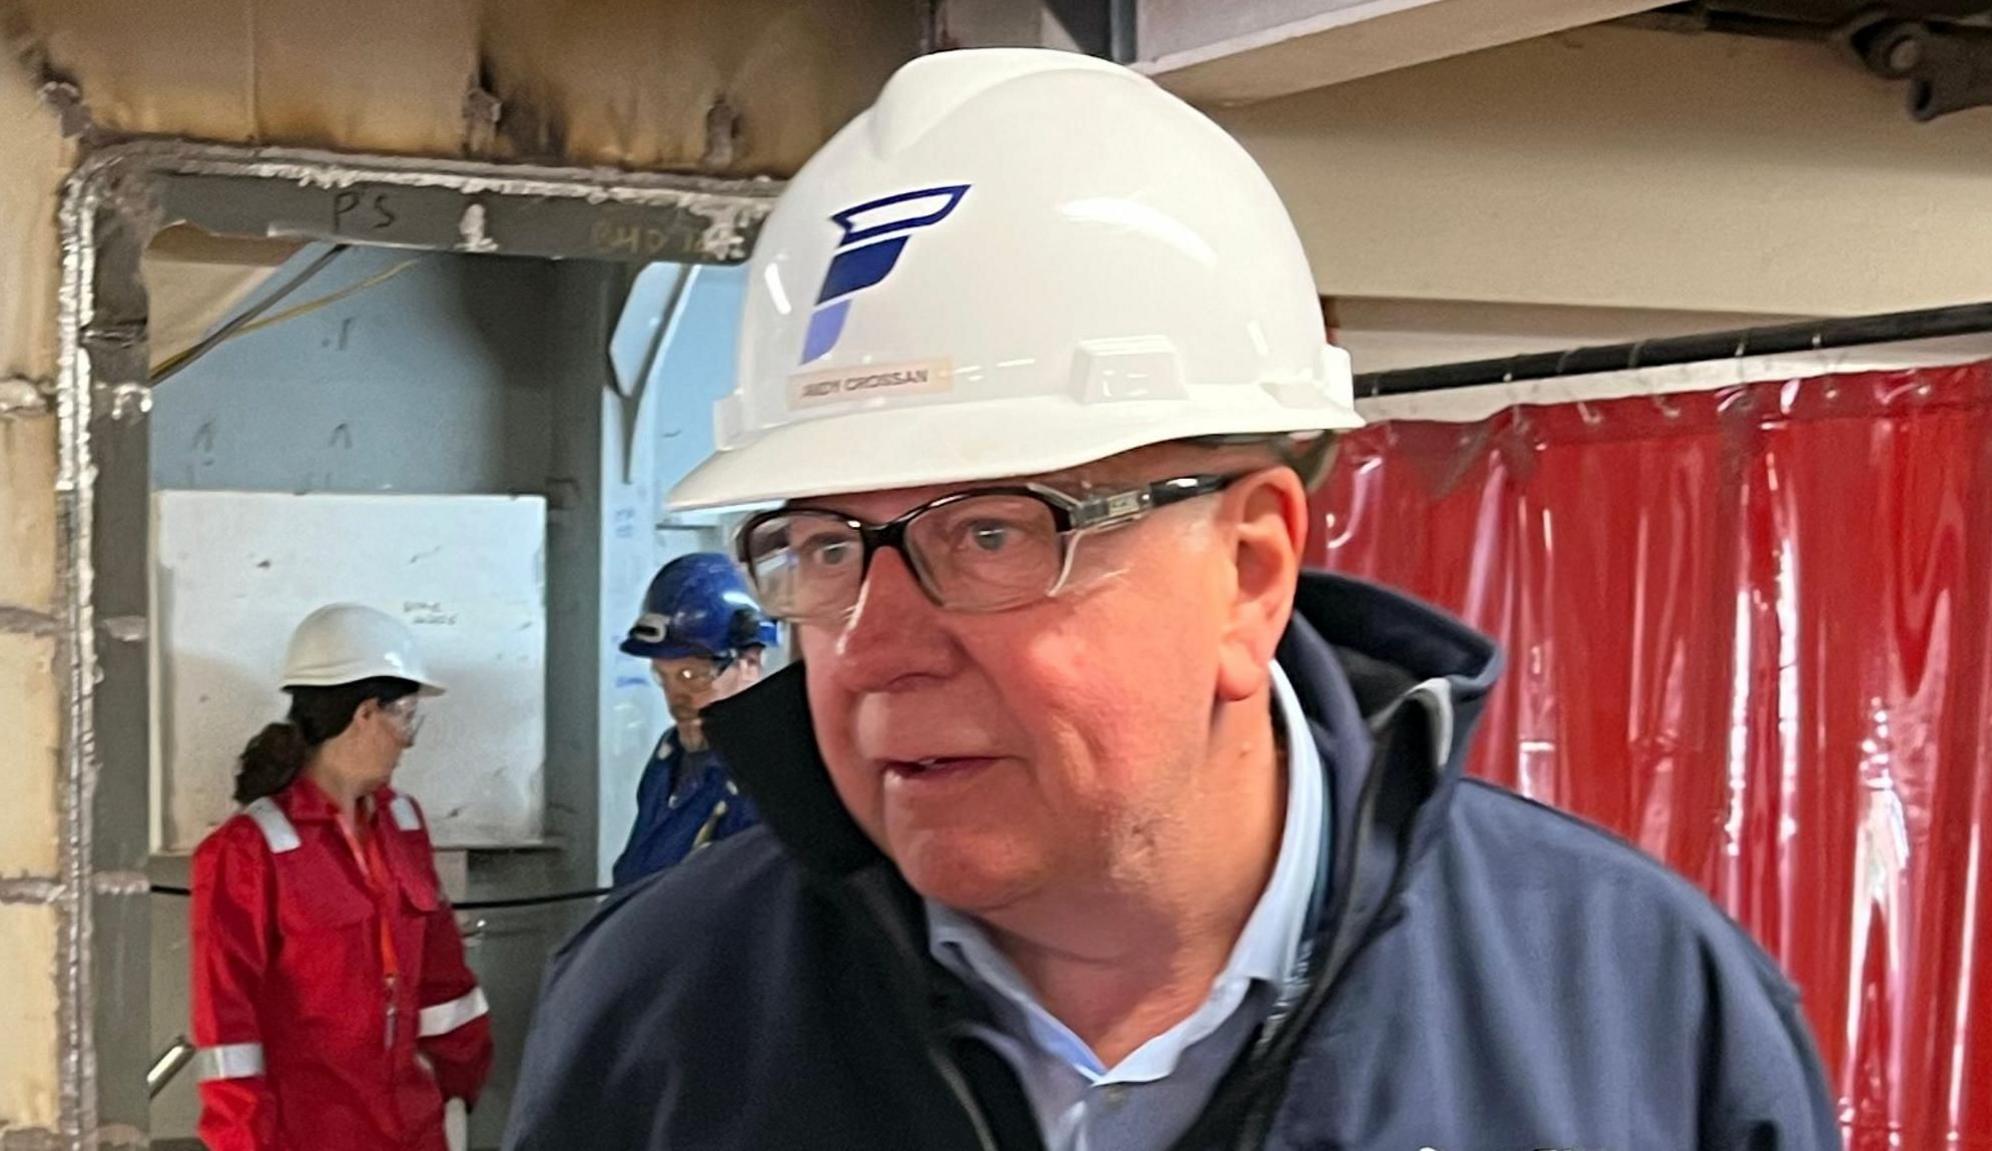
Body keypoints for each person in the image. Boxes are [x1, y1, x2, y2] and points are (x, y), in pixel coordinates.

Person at [506, 49, 1837, 1151]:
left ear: (1250, 570)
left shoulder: (1635, 1014)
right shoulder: (663, 1013)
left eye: (989, 531)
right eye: (827, 546)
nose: (876, 649)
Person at [191, 604, 492, 1151]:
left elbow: (444, 981)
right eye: (404, 715)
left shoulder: (404, 825)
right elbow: (227, 1030)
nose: (409, 738)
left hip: (413, 1131)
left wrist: (456, 1092)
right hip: (308, 1137)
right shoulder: (247, 852)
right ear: (364, 713)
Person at [609, 552, 780, 887]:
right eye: (663, 676)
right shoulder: (670, 755)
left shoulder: (770, 776)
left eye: (692, 675)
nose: (676, 697)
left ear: (750, 662)